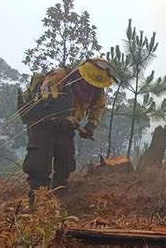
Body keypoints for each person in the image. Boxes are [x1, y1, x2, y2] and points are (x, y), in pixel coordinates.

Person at [20, 58, 114, 205]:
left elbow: (98, 107)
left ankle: (60, 201)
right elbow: (44, 98)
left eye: (94, 85)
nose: (90, 87)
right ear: (81, 74)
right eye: (88, 83)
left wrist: (90, 126)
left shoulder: (97, 88)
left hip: (66, 128)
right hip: (43, 125)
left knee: (65, 163)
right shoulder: (59, 76)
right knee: (39, 164)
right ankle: (38, 202)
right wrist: (62, 116)